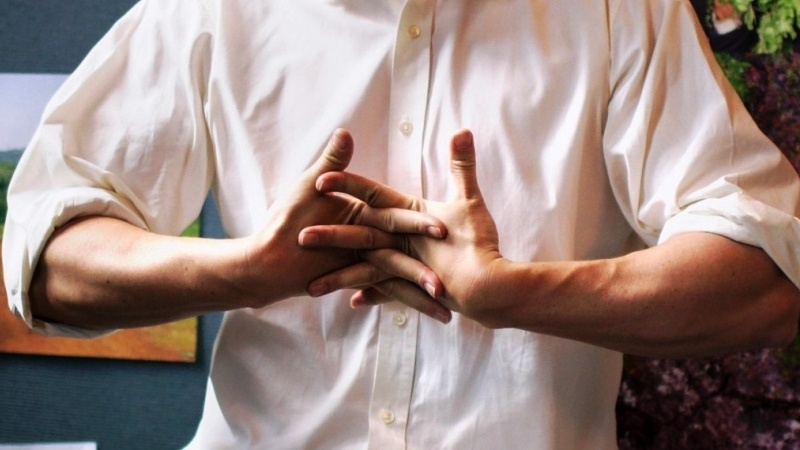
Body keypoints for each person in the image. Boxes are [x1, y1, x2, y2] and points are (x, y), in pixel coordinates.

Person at [4, 0, 800, 448]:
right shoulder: (210, 8)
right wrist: (243, 271)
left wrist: (515, 294)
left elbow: (769, 277)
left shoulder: (619, 12)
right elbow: (43, 258)